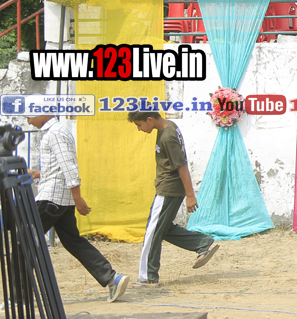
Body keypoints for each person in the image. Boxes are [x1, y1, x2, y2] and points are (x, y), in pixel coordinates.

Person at [27, 114, 129, 302]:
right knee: (73, 241)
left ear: (41, 112)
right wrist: (35, 173)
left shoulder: (54, 133)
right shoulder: (57, 131)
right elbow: (59, 167)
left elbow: (69, 167)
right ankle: (112, 278)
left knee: (24, 239)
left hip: (51, 198)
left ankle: (19, 296)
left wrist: (77, 197)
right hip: (60, 199)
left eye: (30, 117)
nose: (28, 122)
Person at [127, 111, 219, 285]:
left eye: (139, 125)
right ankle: (201, 243)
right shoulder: (167, 127)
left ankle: (147, 277)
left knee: (153, 231)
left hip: (168, 190)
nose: (139, 129)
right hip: (168, 186)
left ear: (149, 119)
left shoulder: (167, 136)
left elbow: (181, 165)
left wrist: (190, 195)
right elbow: (169, 161)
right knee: (162, 227)